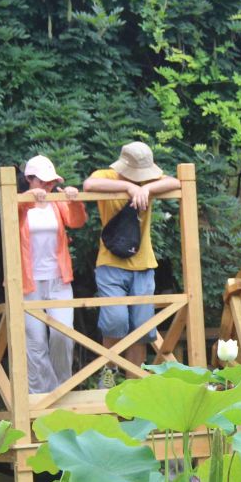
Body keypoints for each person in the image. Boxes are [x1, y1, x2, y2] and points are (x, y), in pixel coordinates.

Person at [83, 142, 181, 385]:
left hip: (144, 264)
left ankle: (134, 381)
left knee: (141, 327)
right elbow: (89, 185)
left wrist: (147, 190)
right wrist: (128, 187)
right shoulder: (106, 176)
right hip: (110, 262)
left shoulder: (149, 182)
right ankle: (110, 370)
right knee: (115, 320)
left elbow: (176, 182)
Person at [19, 155, 87, 394]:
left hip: (58, 279)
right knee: (35, 342)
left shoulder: (57, 202)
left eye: (51, 182)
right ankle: (40, 396)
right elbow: (12, 216)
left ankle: (62, 391)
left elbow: (77, 221)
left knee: (62, 335)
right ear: (29, 179)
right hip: (29, 283)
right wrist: (28, 199)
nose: (48, 186)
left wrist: (74, 199)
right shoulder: (18, 204)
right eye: (43, 182)